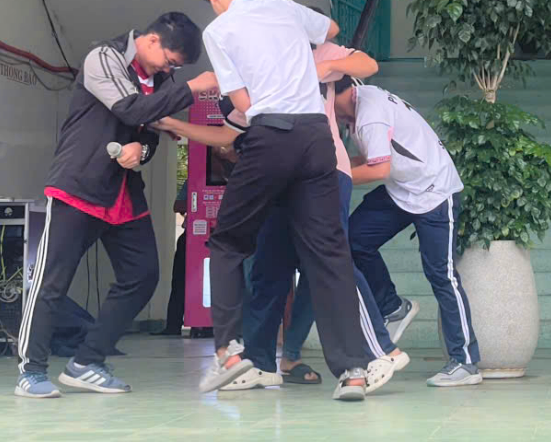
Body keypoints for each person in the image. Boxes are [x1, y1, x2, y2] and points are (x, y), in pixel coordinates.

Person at [157, 43, 407, 394]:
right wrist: (173, 124)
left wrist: (323, 69)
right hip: (275, 179)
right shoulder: (256, 70)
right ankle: (259, 363)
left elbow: (367, 63)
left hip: (323, 173)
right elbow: (228, 134)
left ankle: (378, 353)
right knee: (267, 271)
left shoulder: (314, 51)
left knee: (330, 263)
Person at [194, 0, 369, 400]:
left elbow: (242, 100)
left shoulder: (218, 30)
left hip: (270, 134)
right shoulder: (285, 7)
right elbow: (331, 30)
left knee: (228, 242)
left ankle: (229, 353)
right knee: (328, 252)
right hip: (317, 137)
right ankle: (352, 371)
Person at [15, 13, 215, 398]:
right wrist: (193, 88)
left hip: (122, 194)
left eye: (176, 69)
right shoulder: (103, 58)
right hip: (79, 186)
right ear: (152, 40)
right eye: (170, 61)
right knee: (52, 280)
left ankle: (86, 362)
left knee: (142, 275)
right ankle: (31, 371)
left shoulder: (161, 80)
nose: (170, 70)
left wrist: (142, 149)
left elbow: (151, 131)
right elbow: (130, 109)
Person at [335, 82, 482, 387]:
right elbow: (370, 160)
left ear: (340, 92)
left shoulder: (370, 114)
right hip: (401, 190)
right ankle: (392, 307)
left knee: (442, 276)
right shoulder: (355, 109)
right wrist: (334, 167)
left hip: (434, 191)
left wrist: (329, 177)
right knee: (352, 241)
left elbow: (378, 170)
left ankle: (466, 363)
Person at [152, 181, 189, 336]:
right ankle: (173, 325)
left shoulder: (235, 177)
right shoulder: (194, 179)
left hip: (226, 236)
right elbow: (177, 206)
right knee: (180, 280)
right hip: (192, 235)